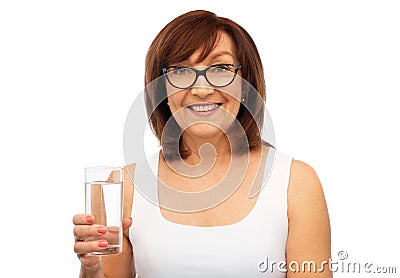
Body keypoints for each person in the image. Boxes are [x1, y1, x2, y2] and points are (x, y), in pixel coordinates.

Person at [73, 10, 332, 277]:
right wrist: (90, 269)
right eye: (182, 70)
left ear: (246, 84)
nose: (201, 89)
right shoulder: (125, 186)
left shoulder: (295, 182)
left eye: (220, 69)